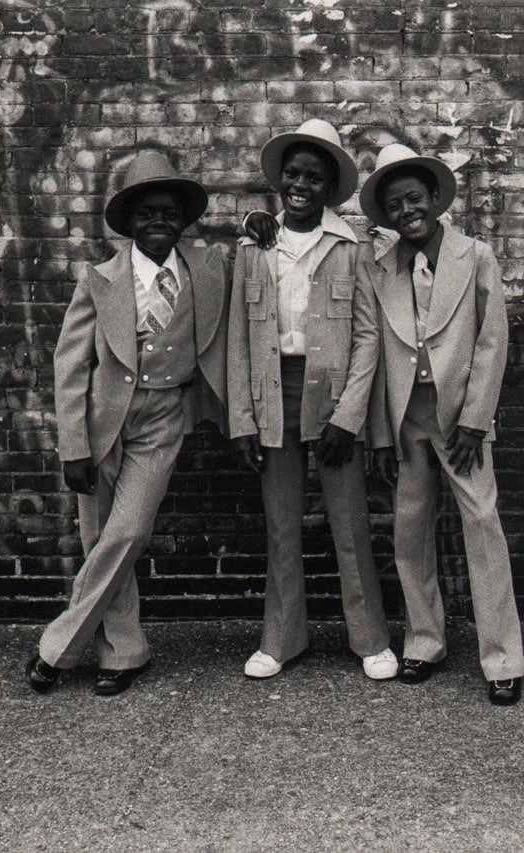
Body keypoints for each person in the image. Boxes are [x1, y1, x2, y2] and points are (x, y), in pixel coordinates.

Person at [27, 150, 230, 695]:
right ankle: (123, 651)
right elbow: (70, 364)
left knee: (129, 530)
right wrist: (73, 445)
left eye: (168, 213)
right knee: (99, 539)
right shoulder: (101, 279)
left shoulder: (207, 269)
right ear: (130, 222)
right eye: (146, 214)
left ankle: (58, 646)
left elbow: (260, 264)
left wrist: (262, 226)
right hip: (101, 422)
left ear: (182, 220)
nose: (158, 223)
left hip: (164, 416)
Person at [226, 119, 397, 681]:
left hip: (332, 396)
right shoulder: (255, 246)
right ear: (279, 179)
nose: (301, 184)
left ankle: (370, 639)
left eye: (314, 178)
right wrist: (243, 420)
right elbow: (239, 339)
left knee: (349, 522)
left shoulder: (351, 247)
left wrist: (349, 416)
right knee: (282, 524)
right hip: (273, 393)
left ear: (330, 188)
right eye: (293, 174)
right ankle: (281, 639)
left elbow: (369, 335)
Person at [358, 143, 524, 705]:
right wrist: (381, 433)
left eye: (415, 199)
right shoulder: (381, 267)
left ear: (434, 199)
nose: (408, 211)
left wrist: (477, 419)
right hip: (408, 419)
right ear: (385, 216)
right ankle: (425, 640)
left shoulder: (474, 256)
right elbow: (377, 352)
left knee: (482, 525)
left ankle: (502, 657)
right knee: (410, 532)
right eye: (395, 205)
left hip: (461, 420)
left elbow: (492, 339)